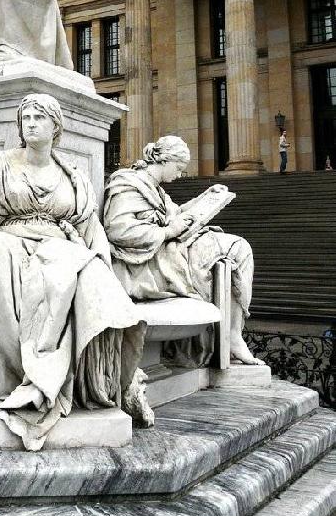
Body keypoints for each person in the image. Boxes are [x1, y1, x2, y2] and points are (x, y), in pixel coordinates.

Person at [0, 94, 150, 451]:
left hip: (59, 249)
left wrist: (104, 270)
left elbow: (92, 230)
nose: (31, 123)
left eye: (39, 117)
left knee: (90, 276)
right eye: (26, 117)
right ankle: (10, 379)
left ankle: (103, 383)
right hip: (12, 244)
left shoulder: (72, 176)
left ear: (55, 126)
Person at [104, 136, 264, 368]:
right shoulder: (128, 184)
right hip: (147, 260)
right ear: (164, 160)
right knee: (236, 248)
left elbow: (175, 212)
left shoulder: (154, 188)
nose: (179, 175)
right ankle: (232, 336)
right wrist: (169, 231)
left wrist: (205, 197)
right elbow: (120, 231)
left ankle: (232, 334)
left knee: (238, 249)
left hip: (168, 249)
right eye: (178, 168)